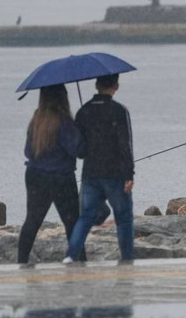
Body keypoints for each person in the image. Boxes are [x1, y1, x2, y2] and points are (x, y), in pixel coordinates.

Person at [64, 73, 135, 263]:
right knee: (124, 218)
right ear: (116, 86)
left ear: (96, 85)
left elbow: (79, 150)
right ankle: (127, 258)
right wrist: (129, 174)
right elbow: (125, 145)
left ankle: (70, 255)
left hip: (90, 174)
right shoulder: (119, 111)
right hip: (116, 174)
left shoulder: (83, 111)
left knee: (85, 217)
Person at [18, 85, 85, 264]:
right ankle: (79, 260)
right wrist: (83, 133)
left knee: (32, 221)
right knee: (72, 223)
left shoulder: (36, 120)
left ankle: (21, 260)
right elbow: (78, 150)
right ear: (63, 98)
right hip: (61, 178)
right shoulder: (64, 122)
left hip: (35, 176)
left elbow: (28, 151)